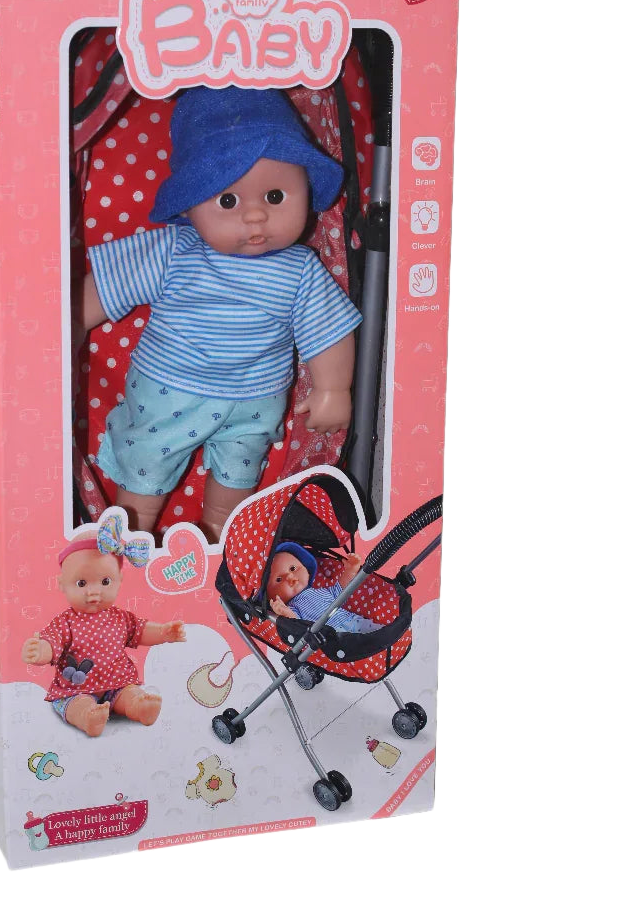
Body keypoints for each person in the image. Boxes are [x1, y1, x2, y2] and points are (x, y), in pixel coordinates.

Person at [77, 87, 362, 541]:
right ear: (190, 206)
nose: (255, 216)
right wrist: (67, 327)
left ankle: (219, 542)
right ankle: (129, 541)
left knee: (236, 483)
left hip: (255, 402)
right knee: (144, 474)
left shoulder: (301, 269)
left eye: (275, 196)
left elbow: (329, 331)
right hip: (168, 389)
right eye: (228, 201)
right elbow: (107, 285)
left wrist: (332, 388)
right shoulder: (176, 251)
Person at [21, 513, 186, 737]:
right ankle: (87, 716)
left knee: (129, 693)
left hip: (116, 683)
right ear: (62, 584)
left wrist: (163, 632)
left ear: (119, 580)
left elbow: (140, 631)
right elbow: (53, 642)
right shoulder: (65, 622)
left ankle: (140, 706)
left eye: (105, 582)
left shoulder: (120, 618)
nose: (94, 592)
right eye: (81, 583)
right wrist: (40, 650)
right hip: (75, 689)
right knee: (77, 704)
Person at [267, 541, 381, 634]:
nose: (290, 577)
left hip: (352, 621)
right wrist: (285, 613)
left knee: (381, 632)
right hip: (331, 635)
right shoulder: (293, 607)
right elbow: (298, 624)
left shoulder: (319, 591)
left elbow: (341, 591)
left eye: (293, 568)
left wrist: (350, 571)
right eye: (279, 579)